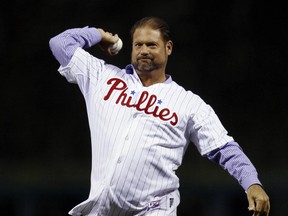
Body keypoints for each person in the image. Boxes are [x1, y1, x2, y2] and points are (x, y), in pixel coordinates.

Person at [49, 16, 270, 216]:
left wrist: (252, 183)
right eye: (138, 45)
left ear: (168, 48)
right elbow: (60, 44)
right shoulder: (102, 77)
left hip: (155, 210)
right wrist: (99, 34)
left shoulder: (189, 103)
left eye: (151, 44)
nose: (144, 50)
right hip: (102, 209)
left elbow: (224, 148)